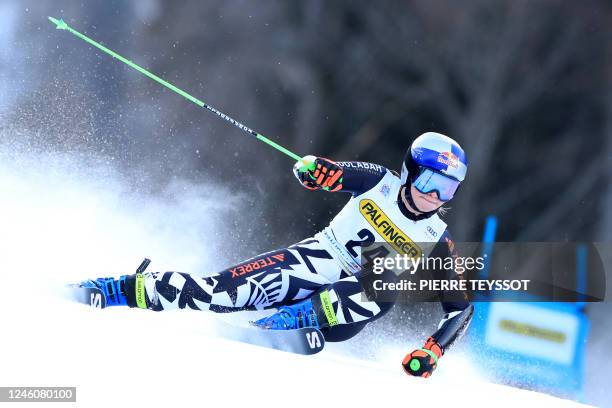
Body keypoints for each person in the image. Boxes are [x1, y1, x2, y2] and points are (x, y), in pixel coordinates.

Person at [76, 132, 474, 377]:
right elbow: (329, 172)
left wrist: (432, 349)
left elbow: (461, 309)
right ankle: (112, 289)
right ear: (408, 172)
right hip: (312, 262)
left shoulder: (436, 237)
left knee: (387, 276)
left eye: (448, 189)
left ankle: (286, 323)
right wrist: (313, 172)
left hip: (345, 310)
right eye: (429, 181)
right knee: (214, 293)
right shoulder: (377, 182)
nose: (434, 197)